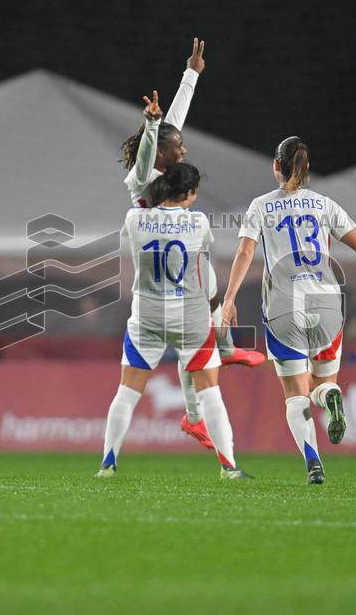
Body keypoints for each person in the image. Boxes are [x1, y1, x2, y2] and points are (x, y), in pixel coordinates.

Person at [221, 136, 356, 484]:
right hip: (326, 301)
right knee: (323, 383)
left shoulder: (260, 206)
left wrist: (230, 298)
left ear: (276, 166)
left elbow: (245, 253)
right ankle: (331, 395)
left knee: (295, 395)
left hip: (284, 305)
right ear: (306, 169)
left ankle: (314, 463)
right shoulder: (323, 204)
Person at [119, 38, 264, 454]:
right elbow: (155, 144)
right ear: (162, 153)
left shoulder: (168, 159)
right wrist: (150, 125)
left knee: (200, 310)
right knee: (203, 300)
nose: (184, 149)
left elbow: (173, 125)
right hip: (155, 247)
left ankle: (197, 412)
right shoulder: (143, 177)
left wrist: (191, 74)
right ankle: (222, 348)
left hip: (174, 245)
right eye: (176, 147)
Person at [97, 163, 250, 479]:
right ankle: (229, 467)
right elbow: (203, 263)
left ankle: (108, 464)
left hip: (147, 317)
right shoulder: (198, 222)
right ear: (191, 193)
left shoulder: (135, 219)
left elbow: (139, 205)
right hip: (190, 318)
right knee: (210, 392)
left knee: (127, 391)